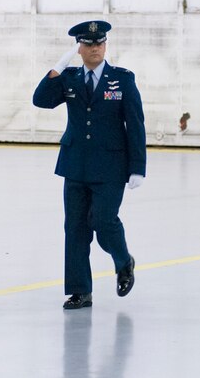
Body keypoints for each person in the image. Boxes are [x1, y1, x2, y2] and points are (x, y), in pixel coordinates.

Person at [32, 20, 146, 310]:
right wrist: (57, 68)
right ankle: (80, 290)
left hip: (110, 165)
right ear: (79, 48)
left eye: (99, 43)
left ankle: (123, 261)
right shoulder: (68, 78)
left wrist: (137, 167)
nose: (95, 48)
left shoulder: (122, 79)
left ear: (105, 45)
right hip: (75, 164)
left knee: (104, 220)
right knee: (76, 228)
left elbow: (135, 125)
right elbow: (41, 100)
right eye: (88, 44)